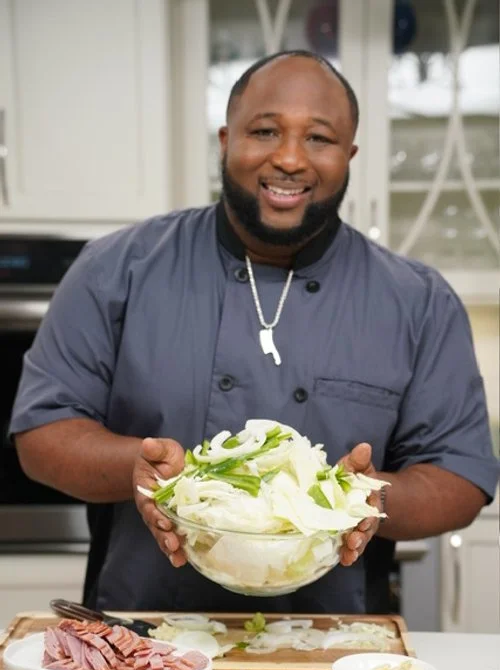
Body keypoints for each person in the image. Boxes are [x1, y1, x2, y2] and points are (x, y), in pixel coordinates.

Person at [9, 50, 498, 616]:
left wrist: (364, 499)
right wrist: (137, 470)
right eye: (265, 131)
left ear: (350, 155)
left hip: (331, 642)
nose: (290, 158)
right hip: (146, 635)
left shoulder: (418, 300)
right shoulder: (116, 268)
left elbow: (460, 474)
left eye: (319, 138)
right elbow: (42, 433)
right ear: (224, 140)